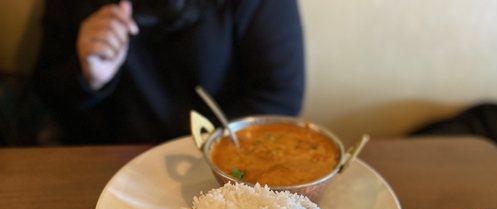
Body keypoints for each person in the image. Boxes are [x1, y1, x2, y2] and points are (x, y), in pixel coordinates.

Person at [32, 0, 304, 144]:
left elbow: (280, 96)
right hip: (107, 166)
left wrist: (208, 151)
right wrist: (89, 78)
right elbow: (46, 94)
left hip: (218, 164)